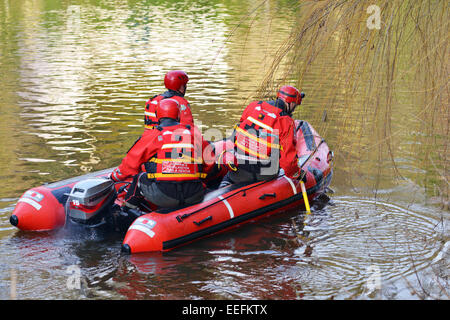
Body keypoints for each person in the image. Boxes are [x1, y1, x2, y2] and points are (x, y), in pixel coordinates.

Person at [111, 98, 212, 209]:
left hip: (164, 196)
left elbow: (129, 165)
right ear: (178, 115)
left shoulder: (153, 135)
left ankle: (127, 209)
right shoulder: (193, 133)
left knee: (140, 178)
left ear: (157, 116)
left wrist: (113, 177)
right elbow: (210, 163)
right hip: (194, 194)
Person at [220, 85, 305, 187]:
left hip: (239, 172)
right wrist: (298, 174)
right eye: (294, 106)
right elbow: (288, 161)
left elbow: (239, 129)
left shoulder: (253, 106)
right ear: (290, 103)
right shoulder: (286, 121)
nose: (293, 110)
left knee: (227, 177)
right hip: (265, 174)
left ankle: (223, 186)